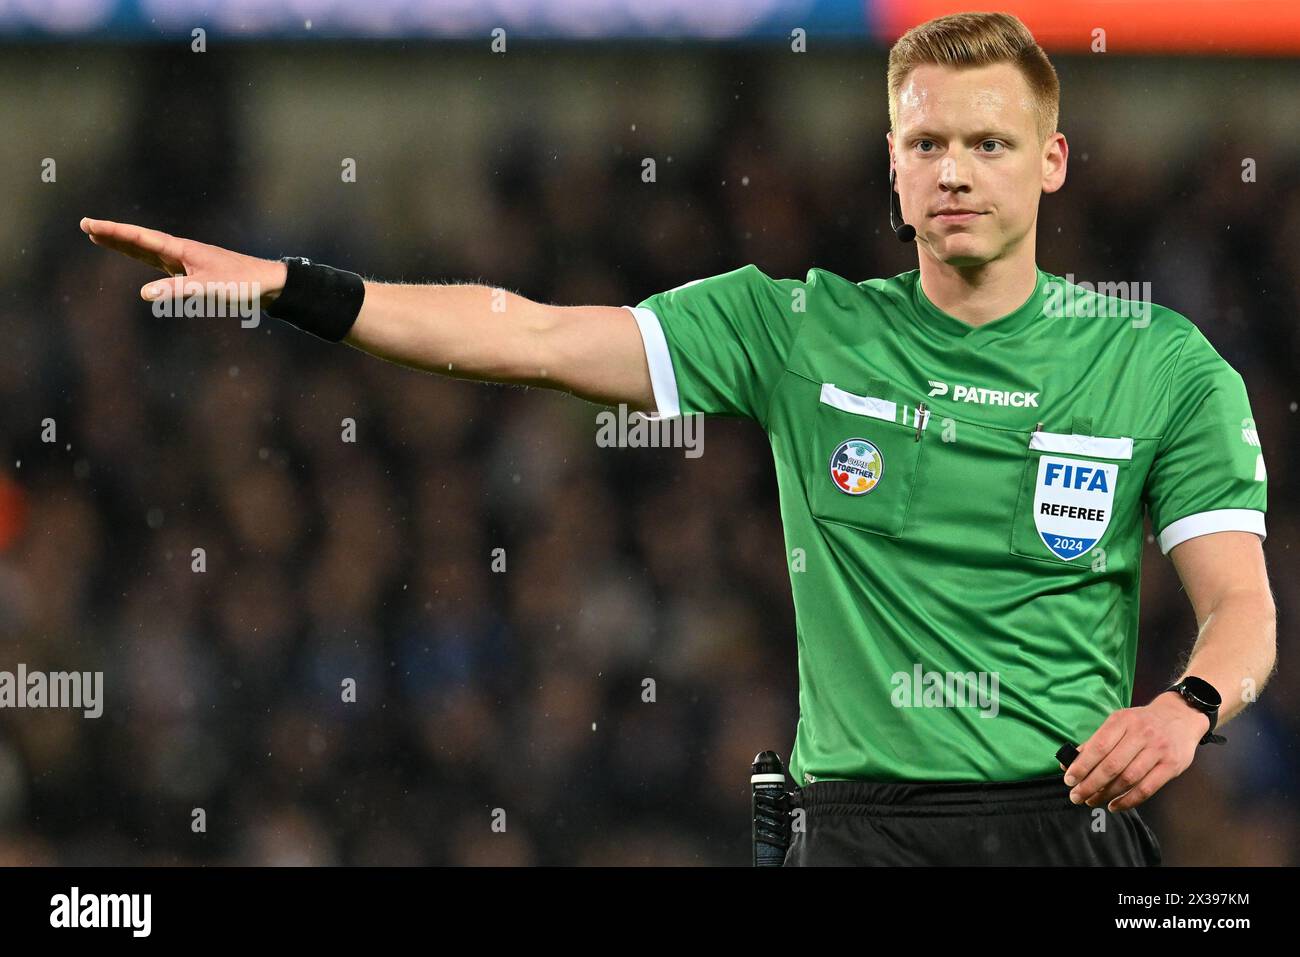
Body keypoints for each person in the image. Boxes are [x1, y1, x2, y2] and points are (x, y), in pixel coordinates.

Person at [81, 10, 1275, 866]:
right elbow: (529, 335)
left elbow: (1242, 608)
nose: (953, 171)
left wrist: (1186, 704)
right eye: (926, 145)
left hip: (1060, 823)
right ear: (894, 171)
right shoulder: (795, 324)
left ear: (1052, 162)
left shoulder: (1157, 363)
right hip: (853, 828)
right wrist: (292, 284)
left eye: (988, 143)